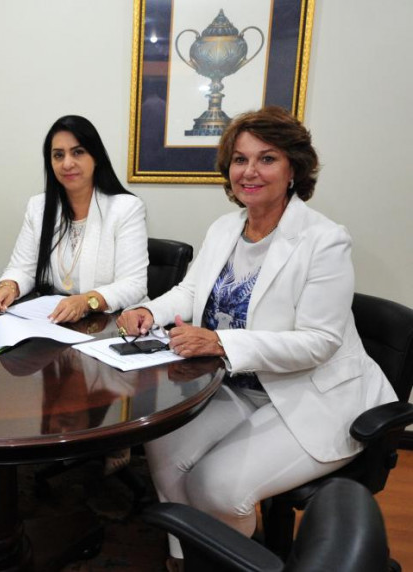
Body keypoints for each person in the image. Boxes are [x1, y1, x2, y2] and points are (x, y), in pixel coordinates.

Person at [116, 107, 397, 571]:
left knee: (217, 487)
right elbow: (190, 291)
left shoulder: (324, 240)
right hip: (240, 386)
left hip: (311, 394)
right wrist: (150, 310)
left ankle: (229, 562)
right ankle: (187, 555)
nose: (249, 171)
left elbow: (319, 341)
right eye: (240, 159)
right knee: (161, 438)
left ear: (293, 169)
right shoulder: (225, 228)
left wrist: (223, 344)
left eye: (267, 159)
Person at [0, 115, 148, 323]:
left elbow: (134, 284)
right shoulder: (39, 207)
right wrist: (9, 286)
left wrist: (86, 301)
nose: (67, 163)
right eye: (58, 155)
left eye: (78, 152)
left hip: (114, 326)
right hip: (56, 323)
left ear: (96, 157)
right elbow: (22, 268)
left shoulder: (126, 208)